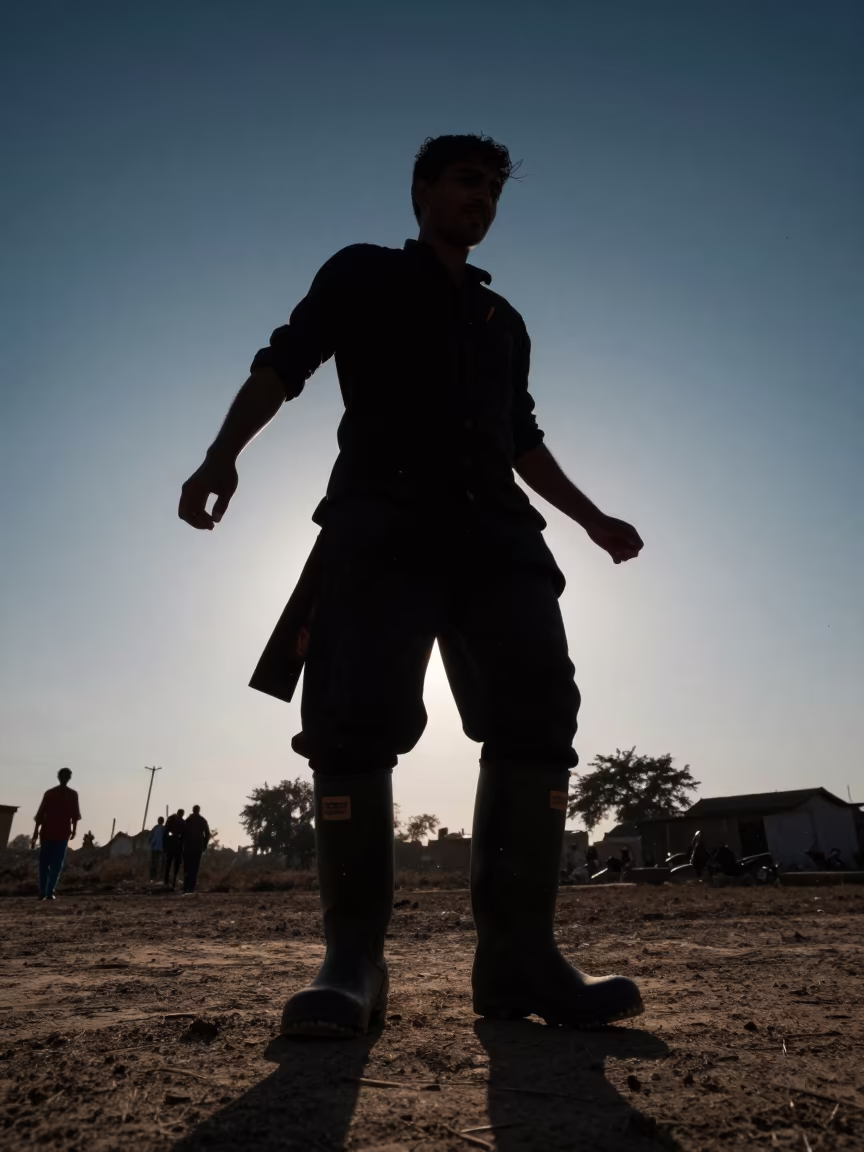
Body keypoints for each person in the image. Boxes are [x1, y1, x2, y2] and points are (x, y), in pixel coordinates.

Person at [179, 133, 645, 1036]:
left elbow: (520, 436)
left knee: (539, 713)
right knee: (351, 718)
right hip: (381, 525)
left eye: (495, 188)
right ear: (421, 190)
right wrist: (221, 453)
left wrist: (592, 518)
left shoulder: (503, 321)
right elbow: (285, 361)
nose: (483, 199)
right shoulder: (363, 273)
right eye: (467, 180)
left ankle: (519, 960)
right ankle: (353, 962)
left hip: (497, 537)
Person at [31, 767, 81, 901]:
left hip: (63, 833)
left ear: (69, 778)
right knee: (44, 863)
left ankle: (50, 891)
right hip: (47, 832)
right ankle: (43, 891)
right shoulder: (50, 794)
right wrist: (35, 833)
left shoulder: (73, 795)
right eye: (62, 776)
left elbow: (75, 815)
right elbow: (40, 814)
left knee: (57, 864)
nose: (64, 779)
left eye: (67, 776)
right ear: (58, 777)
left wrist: (74, 830)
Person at [181, 805, 210, 894]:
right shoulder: (202, 820)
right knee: (194, 867)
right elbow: (207, 834)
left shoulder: (188, 820)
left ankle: (186, 886)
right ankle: (190, 887)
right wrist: (204, 845)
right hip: (197, 847)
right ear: (199, 810)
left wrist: (182, 843)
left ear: (193, 810)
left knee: (187, 867)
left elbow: (183, 832)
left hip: (189, 846)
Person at [163, 809, 185, 889]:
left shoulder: (172, 820)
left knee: (169, 864)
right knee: (174, 864)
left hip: (172, 845)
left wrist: (165, 845)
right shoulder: (182, 822)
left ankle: (168, 881)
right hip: (177, 846)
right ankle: (172, 881)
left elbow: (165, 832)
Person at [149, 815, 166, 882]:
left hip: (156, 848)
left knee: (155, 862)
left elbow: (151, 837)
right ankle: (156, 876)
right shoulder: (161, 828)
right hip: (158, 848)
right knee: (157, 862)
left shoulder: (157, 828)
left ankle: (155, 876)